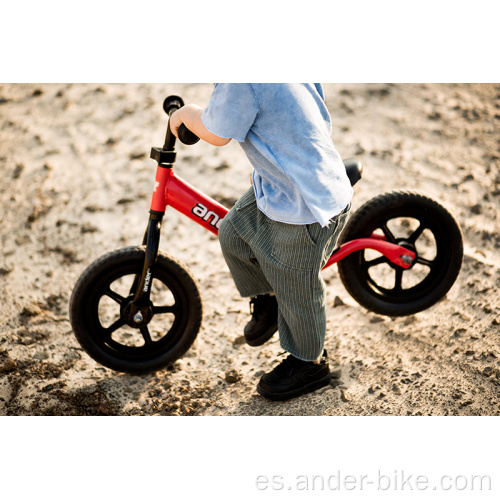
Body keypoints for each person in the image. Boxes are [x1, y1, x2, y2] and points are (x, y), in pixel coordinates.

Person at [170, 83, 353, 401]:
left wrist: (185, 113)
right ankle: (269, 297)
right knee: (233, 232)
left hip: (306, 201)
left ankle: (310, 362)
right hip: (282, 184)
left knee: (294, 282)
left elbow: (216, 133)